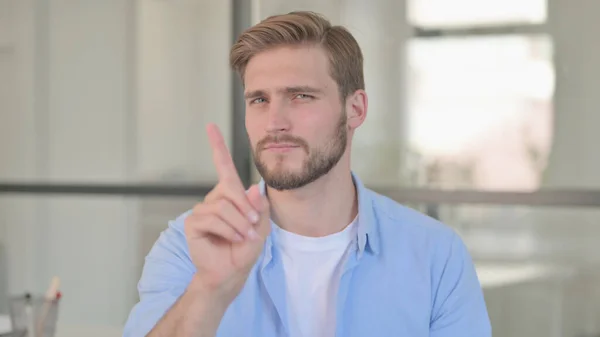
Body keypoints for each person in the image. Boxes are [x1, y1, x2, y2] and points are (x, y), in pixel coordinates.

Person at [123, 11, 491, 337]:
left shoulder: (435, 256)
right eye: (259, 100)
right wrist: (209, 289)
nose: (275, 123)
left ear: (355, 109)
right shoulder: (190, 246)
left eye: (301, 96)